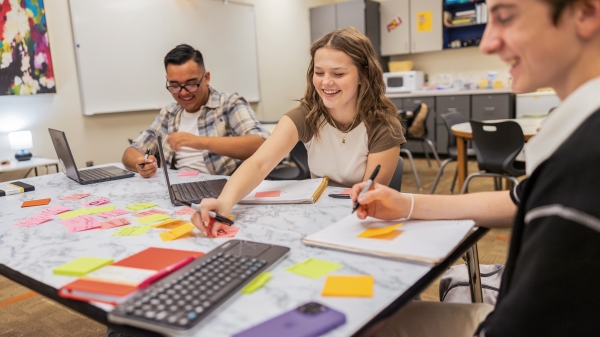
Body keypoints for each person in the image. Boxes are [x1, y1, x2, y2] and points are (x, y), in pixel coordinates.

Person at [350, 0, 600, 336]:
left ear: (585, 12)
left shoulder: (584, 163)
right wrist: (407, 203)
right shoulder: (573, 135)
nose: (486, 43)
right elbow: (517, 199)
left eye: (506, 17)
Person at [192, 27, 405, 237]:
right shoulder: (306, 115)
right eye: (319, 72)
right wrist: (224, 202)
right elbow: (258, 164)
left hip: (357, 221)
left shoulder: (383, 125)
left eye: (338, 73)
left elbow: (367, 198)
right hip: (317, 217)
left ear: (363, 74)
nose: (326, 82)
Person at [122, 44, 269, 178]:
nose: (184, 93)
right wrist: (141, 163)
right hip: (176, 189)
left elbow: (261, 143)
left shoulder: (229, 104)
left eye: (191, 84)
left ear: (206, 78)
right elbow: (132, 151)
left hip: (223, 191)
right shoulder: (169, 113)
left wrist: (201, 142)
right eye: (174, 85)